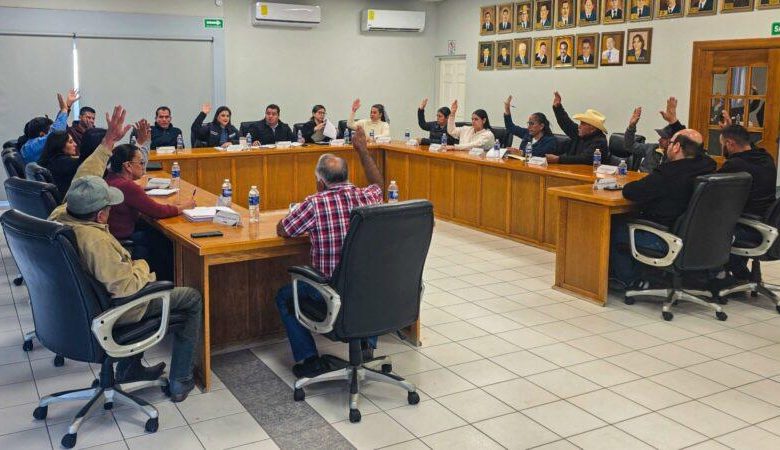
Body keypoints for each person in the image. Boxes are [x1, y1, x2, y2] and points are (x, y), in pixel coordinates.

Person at [48, 105, 202, 402]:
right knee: (191, 298)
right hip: (119, 308)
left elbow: (84, 176)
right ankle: (181, 379)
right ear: (101, 215)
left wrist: (108, 143)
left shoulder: (63, 213)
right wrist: (143, 266)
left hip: (85, 305)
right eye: (109, 206)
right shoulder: (97, 242)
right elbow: (129, 289)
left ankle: (130, 369)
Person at [274, 125, 383, 378]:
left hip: (330, 292)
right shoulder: (367, 197)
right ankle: (367, 345)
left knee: (284, 296)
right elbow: (378, 184)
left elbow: (284, 230)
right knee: (366, 281)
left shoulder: (315, 203)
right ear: (347, 176)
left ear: (320, 181)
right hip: (368, 292)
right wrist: (362, 150)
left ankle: (309, 359)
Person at [610, 128, 716, 288]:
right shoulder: (707, 166)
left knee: (614, 227)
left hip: (663, 237)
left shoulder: (668, 173)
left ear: (677, 147)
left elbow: (631, 192)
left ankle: (629, 280)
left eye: (671, 143)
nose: (667, 146)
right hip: (695, 238)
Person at [105, 121, 196, 282]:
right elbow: (158, 212)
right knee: (166, 240)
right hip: (123, 239)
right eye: (141, 163)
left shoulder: (111, 178)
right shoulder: (126, 186)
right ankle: (171, 281)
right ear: (127, 166)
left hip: (114, 236)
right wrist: (184, 206)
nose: (143, 166)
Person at [718, 120, 777, 280]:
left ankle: (720, 277)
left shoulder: (735, 165)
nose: (722, 149)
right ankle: (742, 276)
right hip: (767, 224)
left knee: (706, 226)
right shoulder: (766, 158)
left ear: (730, 144)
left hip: (748, 228)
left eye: (723, 144)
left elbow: (710, 187)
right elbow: (748, 147)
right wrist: (731, 130)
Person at [623, 98, 684, 173]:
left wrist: (673, 120)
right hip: (641, 177)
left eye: (663, 138)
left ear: (671, 141)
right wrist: (631, 126)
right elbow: (629, 146)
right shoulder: (652, 148)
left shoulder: (674, 157)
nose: (659, 140)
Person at [547, 92, 609, 165]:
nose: (579, 126)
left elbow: (585, 159)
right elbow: (566, 124)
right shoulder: (581, 134)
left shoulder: (600, 141)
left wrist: (558, 159)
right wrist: (558, 108)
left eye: (583, 124)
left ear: (593, 128)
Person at [21, 89, 78, 164]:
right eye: (50, 129)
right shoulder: (31, 147)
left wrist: (67, 106)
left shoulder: (28, 146)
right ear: (42, 134)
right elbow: (56, 133)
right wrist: (64, 109)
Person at [36, 131, 79, 196]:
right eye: (70, 142)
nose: (75, 144)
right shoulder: (67, 163)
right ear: (60, 145)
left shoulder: (46, 161)